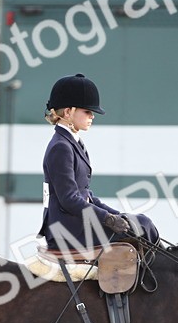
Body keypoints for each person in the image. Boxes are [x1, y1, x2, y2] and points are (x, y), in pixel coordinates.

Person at [39, 73, 159, 251]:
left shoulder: (73, 142)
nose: (92, 116)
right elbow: (69, 199)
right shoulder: (61, 147)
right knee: (140, 226)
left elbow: (85, 194)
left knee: (141, 222)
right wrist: (107, 219)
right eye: (87, 111)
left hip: (76, 223)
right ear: (68, 112)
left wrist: (116, 215)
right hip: (66, 230)